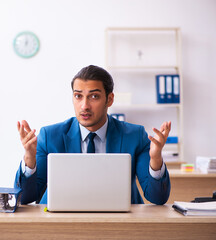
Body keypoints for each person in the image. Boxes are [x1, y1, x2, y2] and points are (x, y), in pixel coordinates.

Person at [14, 65, 171, 205]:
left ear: (109, 100)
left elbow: (157, 198)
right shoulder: (50, 136)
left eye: (94, 96)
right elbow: (25, 198)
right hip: (61, 222)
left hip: (120, 223)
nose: (85, 106)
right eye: (78, 96)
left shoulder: (134, 135)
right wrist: (29, 157)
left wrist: (156, 158)